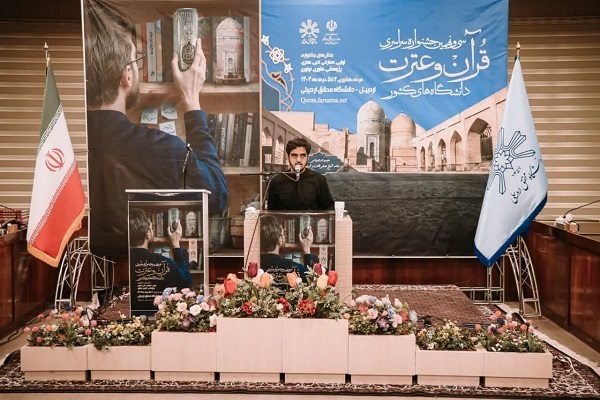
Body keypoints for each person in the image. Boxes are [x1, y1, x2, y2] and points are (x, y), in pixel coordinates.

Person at [84, 4, 228, 256]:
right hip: (149, 272)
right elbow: (216, 196)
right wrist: (191, 100)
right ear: (127, 75)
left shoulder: (62, 148)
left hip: (83, 272)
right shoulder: (163, 149)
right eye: (137, 61)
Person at [129, 208, 191, 295]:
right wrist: (176, 245)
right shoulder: (164, 264)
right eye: (151, 228)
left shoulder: (123, 263)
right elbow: (186, 282)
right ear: (148, 234)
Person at [266, 137, 334, 211]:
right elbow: (271, 212)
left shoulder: (319, 180)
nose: (298, 160)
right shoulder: (277, 181)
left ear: (308, 157)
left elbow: (329, 208)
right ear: (287, 157)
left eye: (302, 155)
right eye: (294, 155)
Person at [260, 214, 317, 281]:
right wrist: (307, 251)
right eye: (283, 234)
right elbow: (311, 279)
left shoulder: (254, 268)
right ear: (280, 240)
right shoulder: (294, 269)